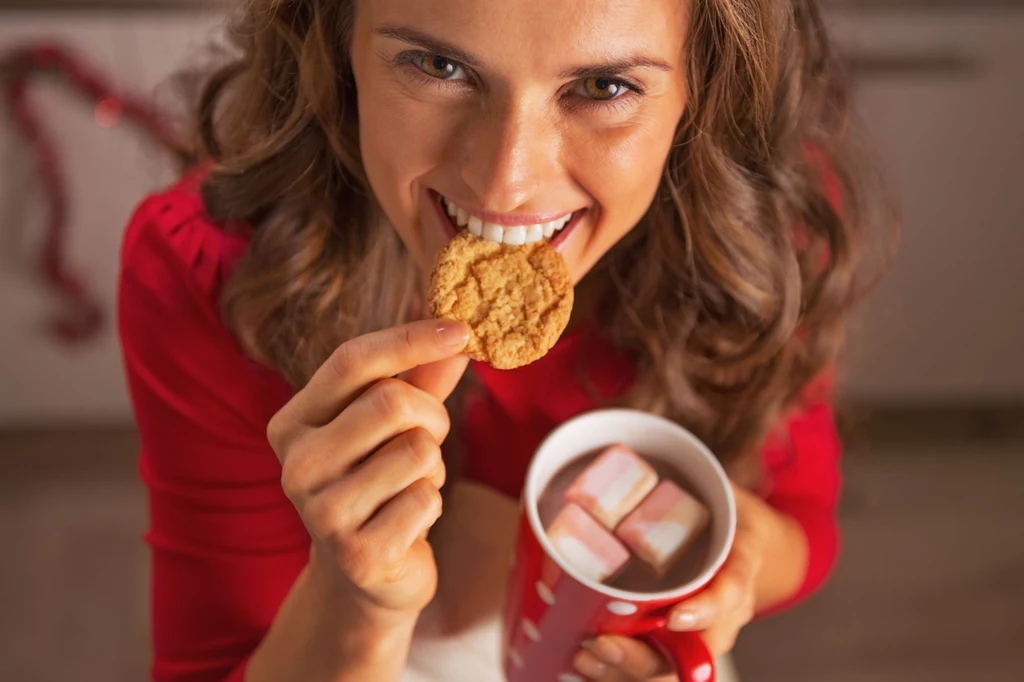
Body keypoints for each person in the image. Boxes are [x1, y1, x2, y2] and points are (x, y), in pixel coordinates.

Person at [117, 0, 891, 680]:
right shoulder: (212, 271)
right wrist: (356, 594)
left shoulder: (757, 240)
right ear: (336, 46)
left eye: (603, 86)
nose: (505, 183)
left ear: (702, 88)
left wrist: (730, 563)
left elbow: (802, 518)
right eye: (437, 64)